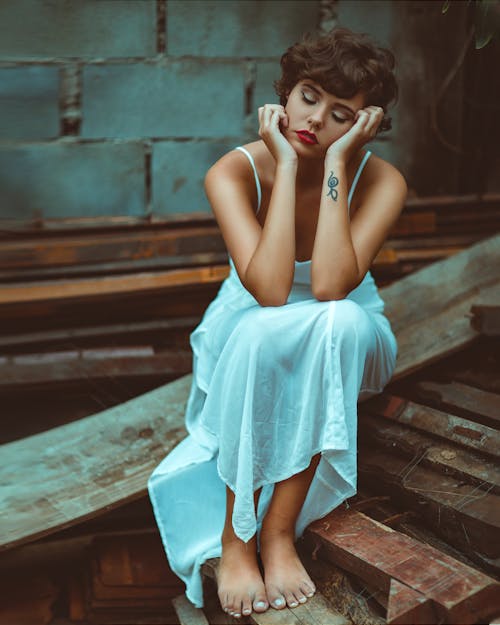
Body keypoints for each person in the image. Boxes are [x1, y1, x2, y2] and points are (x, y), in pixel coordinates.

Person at [148, 26, 407, 620]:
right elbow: (267, 291)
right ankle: (237, 537)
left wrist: (338, 163)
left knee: (335, 321)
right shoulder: (232, 172)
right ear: (285, 93)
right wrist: (286, 166)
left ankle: (274, 533)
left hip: (349, 332)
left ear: (365, 122)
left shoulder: (383, 180)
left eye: (341, 114)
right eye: (309, 96)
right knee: (269, 329)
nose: (315, 119)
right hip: (250, 328)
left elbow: (329, 286)